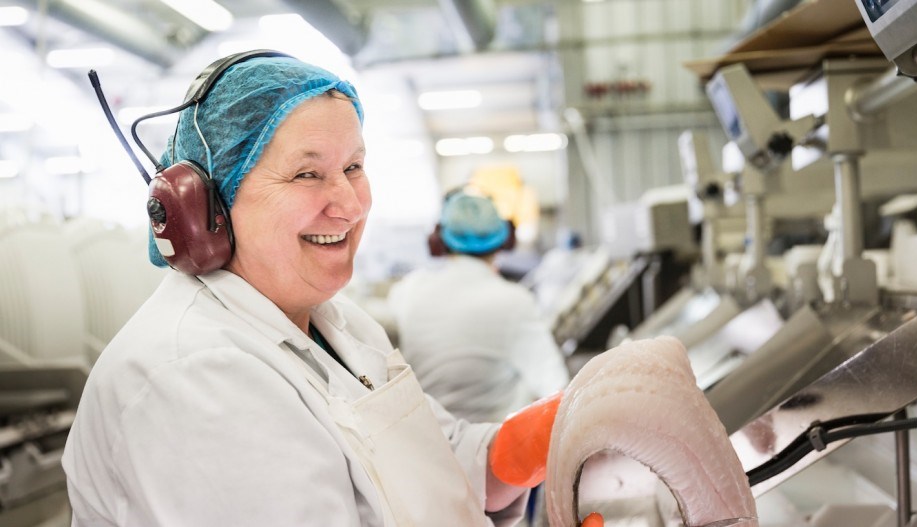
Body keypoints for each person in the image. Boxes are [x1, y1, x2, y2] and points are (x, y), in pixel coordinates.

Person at [61, 51, 607, 527]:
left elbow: (436, 465)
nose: (349, 204)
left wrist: (545, 435)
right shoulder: (194, 376)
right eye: (306, 174)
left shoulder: (337, 324)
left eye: (354, 166)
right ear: (206, 208)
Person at [388, 190, 570, 423]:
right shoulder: (514, 301)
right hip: (490, 448)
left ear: (439, 240)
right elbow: (556, 389)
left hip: (427, 443)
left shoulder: (408, 289)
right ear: (505, 239)